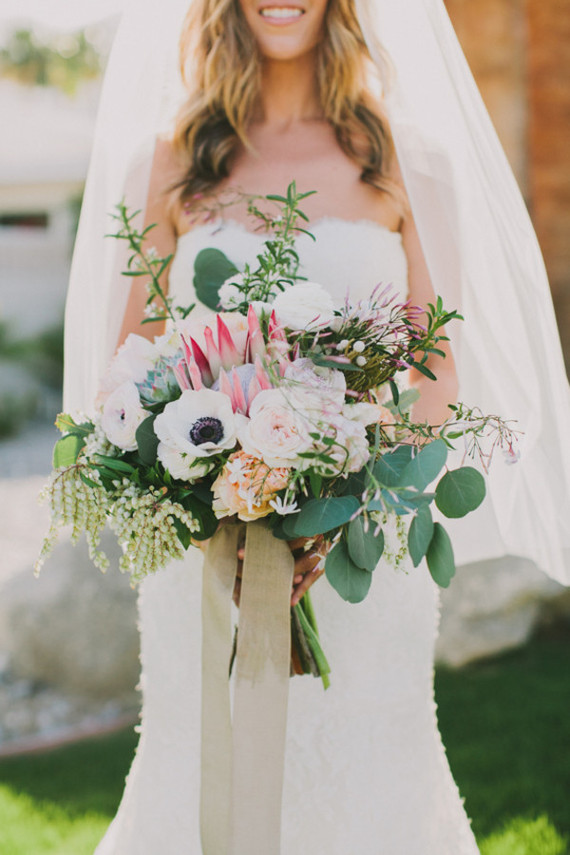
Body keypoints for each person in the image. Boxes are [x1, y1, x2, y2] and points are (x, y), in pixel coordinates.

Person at [61, 0, 570, 852]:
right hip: (204, 554)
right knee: (200, 777)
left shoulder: (412, 158)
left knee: (370, 780)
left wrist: (336, 512)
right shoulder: (172, 161)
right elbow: (135, 368)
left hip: (365, 548)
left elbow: (437, 371)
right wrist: (213, 511)